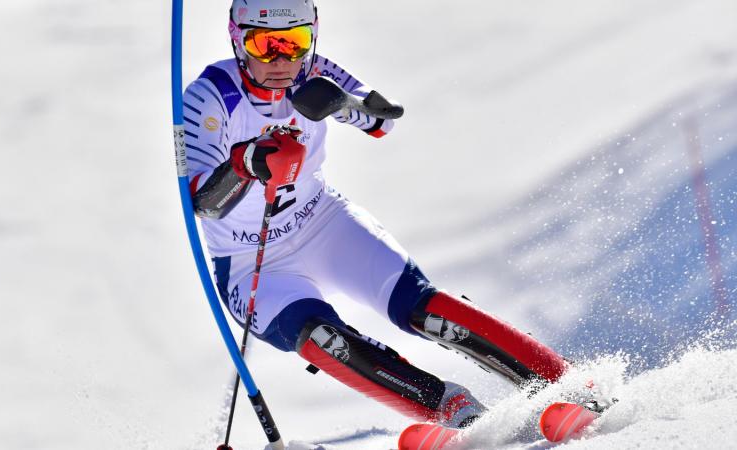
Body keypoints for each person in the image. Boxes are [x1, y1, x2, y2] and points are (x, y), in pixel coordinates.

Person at [183, 0, 567, 429]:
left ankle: (560, 382)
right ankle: (450, 408)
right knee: (322, 338)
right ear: (238, 40)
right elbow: (203, 204)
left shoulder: (313, 71)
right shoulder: (209, 97)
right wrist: (246, 163)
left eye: (294, 42)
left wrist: (339, 101)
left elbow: (385, 118)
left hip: (322, 224)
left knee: (421, 308)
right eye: (264, 43)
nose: (281, 59)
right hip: (252, 262)